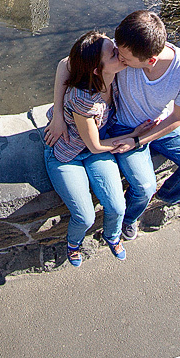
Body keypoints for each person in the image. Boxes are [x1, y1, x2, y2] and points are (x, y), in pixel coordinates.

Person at [45, 10, 180, 242]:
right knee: (143, 187)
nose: (120, 59)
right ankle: (130, 219)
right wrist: (58, 115)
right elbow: (66, 64)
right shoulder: (122, 50)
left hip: (157, 124)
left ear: (150, 60)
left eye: (125, 58)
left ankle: (171, 195)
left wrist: (139, 140)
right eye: (117, 54)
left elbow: (178, 118)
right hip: (122, 126)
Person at [44, 31, 131, 266]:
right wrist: (135, 137)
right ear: (95, 69)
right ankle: (73, 243)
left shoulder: (116, 71)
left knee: (117, 206)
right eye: (113, 53)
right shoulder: (85, 99)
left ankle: (112, 236)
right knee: (84, 216)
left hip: (94, 149)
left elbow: (66, 61)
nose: (120, 54)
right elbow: (95, 146)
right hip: (67, 153)